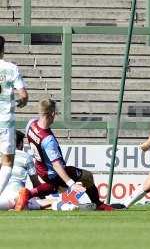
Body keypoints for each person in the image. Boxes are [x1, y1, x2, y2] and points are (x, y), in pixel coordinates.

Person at [15, 98, 113, 211]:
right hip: (53, 172)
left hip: (40, 168)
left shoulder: (31, 124)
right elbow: (57, 165)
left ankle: (27, 193)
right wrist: (71, 183)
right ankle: (98, 204)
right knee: (87, 176)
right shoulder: (48, 140)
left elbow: (31, 140)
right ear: (52, 113)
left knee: (55, 185)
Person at [0, 35, 29, 195]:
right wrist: (21, 102)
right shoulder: (11, 68)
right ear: (2, 50)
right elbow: (23, 95)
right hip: (5, 122)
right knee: (7, 162)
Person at [0, 130, 49, 210]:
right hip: (19, 193)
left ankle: (18, 205)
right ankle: (21, 204)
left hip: (4, 195)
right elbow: (35, 182)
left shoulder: (2, 157)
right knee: (50, 202)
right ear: (20, 144)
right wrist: (43, 198)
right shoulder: (26, 157)